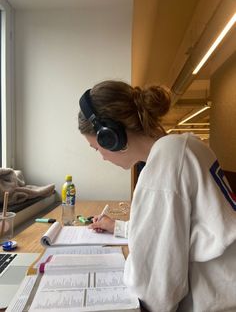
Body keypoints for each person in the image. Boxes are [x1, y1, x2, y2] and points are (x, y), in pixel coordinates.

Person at [78, 80, 236, 312]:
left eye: (97, 148)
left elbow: (157, 291)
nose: (101, 157)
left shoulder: (166, 162)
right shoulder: (188, 146)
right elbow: (180, 231)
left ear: (110, 136)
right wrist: (119, 227)